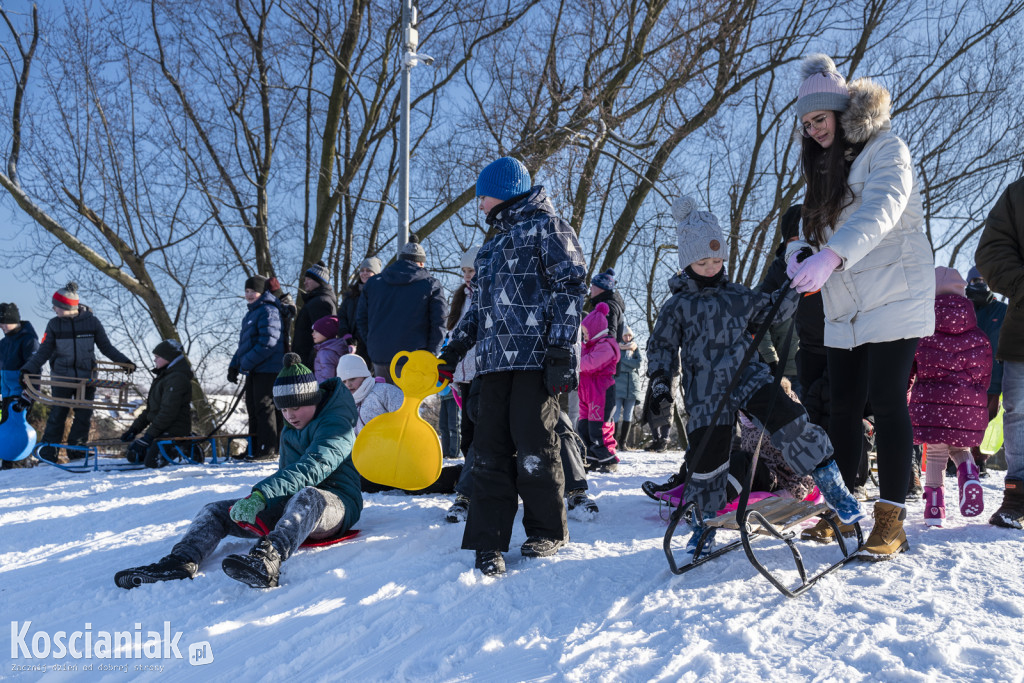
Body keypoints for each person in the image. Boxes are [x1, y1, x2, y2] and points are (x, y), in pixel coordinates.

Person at [646, 195, 862, 558]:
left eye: (717, 259)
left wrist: (795, 281)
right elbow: (661, 348)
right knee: (707, 461)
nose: (712, 266)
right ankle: (706, 523)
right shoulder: (677, 306)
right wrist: (658, 382)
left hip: (749, 376)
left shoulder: (737, 296)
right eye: (703, 261)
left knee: (790, 419)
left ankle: (835, 488)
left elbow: (772, 311)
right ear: (687, 262)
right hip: (704, 392)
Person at [785, 54, 934, 556]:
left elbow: (882, 209)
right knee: (840, 407)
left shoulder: (886, 149)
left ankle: (891, 517)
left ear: (840, 112)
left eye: (819, 119)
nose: (813, 130)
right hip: (845, 303)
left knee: (888, 401)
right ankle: (842, 509)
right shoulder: (824, 168)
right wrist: (801, 249)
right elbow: (815, 226)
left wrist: (832, 255)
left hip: (894, 292)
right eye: (806, 124)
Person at [438, 156, 586, 576]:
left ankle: (546, 530)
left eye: (482, 197)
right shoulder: (491, 247)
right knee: (488, 451)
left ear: (501, 193)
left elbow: (570, 286)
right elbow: (478, 310)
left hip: (536, 361)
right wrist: (452, 351)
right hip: (492, 364)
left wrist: (561, 350)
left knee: (536, 446)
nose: (480, 206)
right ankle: (488, 538)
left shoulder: (548, 227)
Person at [114, 353, 361, 589]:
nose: (290, 415)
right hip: (295, 506)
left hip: (334, 505)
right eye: (284, 409)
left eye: (296, 407)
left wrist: (262, 495)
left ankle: (268, 559)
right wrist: (261, 504)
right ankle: (181, 561)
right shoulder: (291, 427)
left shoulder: (337, 424)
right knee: (216, 511)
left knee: (309, 495)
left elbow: (311, 469)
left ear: (313, 399)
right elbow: (288, 477)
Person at [908, 267, 991, 526]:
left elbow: (909, 367)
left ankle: (935, 507)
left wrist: (905, 392)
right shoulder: (978, 335)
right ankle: (968, 473)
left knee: (934, 453)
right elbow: (985, 375)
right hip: (967, 402)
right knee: (960, 447)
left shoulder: (921, 329)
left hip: (930, 403)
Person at [20, 283, 134, 462]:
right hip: (61, 378)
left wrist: (124, 362)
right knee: (58, 413)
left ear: (66, 306)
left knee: (83, 414)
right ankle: (49, 452)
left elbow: (106, 347)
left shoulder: (92, 323)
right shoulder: (54, 324)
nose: (53, 308)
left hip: (86, 378)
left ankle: (77, 450)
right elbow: (44, 351)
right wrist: (28, 369)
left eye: (56, 305)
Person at [975, 174, 1024, 528]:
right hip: (1023, 327)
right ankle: (1018, 493)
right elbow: (992, 250)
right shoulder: (1018, 194)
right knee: (1019, 412)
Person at [356, 235, 447, 382]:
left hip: (380, 356)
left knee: (383, 402)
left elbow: (361, 319)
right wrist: (430, 354)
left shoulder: (373, 284)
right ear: (421, 263)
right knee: (408, 403)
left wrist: (373, 343)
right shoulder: (430, 284)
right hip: (414, 358)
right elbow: (440, 322)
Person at [228, 274, 286, 461]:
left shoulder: (269, 310)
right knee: (252, 408)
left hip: (269, 368)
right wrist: (234, 365)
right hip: (254, 368)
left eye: (253, 291)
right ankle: (254, 446)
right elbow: (244, 345)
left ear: (262, 292)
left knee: (265, 407)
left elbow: (269, 342)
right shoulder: (250, 314)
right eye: (247, 291)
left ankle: (268, 447)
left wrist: (246, 363)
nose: (250, 294)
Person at [120, 339, 195, 469]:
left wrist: (149, 436)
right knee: (134, 455)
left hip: (174, 429)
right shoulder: (163, 377)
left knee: (152, 462)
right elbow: (151, 410)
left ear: (168, 357)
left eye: (157, 357)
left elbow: (168, 412)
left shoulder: (177, 378)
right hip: (160, 429)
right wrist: (134, 430)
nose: (154, 360)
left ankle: (184, 445)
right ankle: (165, 445)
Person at [965, 265, 1007, 476]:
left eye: (984, 280)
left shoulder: (1002, 310)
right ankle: (961, 459)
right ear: (968, 282)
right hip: (965, 376)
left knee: (987, 420)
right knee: (963, 418)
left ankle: (980, 460)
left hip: (994, 376)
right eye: (975, 281)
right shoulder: (962, 307)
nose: (980, 284)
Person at [578, 302, 620, 472]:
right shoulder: (587, 347)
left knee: (599, 427)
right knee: (584, 426)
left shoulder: (606, 346)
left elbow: (590, 363)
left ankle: (608, 459)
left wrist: (573, 363)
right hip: (586, 392)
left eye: (587, 332)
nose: (584, 336)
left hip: (601, 392)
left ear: (595, 330)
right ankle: (592, 457)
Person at [448, 247, 480, 459]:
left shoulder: (485, 296)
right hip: (462, 372)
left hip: (480, 369)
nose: (467, 275)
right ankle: (469, 462)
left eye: (472, 270)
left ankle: (480, 463)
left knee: (478, 417)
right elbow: (453, 333)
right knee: (466, 424)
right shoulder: (460, 298)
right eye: (464, 271)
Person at [338, 257, 382, 367]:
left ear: (376, 273)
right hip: (349, 343)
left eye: (368, 270)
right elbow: (341, 316)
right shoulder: (351, 295)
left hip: (368, 345)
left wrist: (361, 339)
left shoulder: (379, 294)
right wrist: (345, 334)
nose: (364, 273)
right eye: (362, 270)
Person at [292, 262, 338, 367]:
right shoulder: (314, 301)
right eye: (305, 279)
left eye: (309, 279)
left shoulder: (321, 302)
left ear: (319, 281)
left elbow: (324, 338)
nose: (305, 282)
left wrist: (312, 363)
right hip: (305, 361)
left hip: (311, 364)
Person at [612, 325, 643, 450]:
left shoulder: (635, 347)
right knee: (615, 414)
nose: (627, 337)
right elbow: (615, 363)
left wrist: (623, 361)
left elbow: (639, 363)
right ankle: (612, 441)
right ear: (621, 336)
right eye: (625, 335)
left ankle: (623, 442)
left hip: (632, 386)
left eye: (629, 335)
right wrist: (629, 364)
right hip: (618, 384)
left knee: (628, 414)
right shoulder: (616, 347)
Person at [0, 303, 38, 402]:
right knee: (6, 418)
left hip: (21, 394)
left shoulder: (28, 340)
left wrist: (29, 394)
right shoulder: (3, 343)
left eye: (3, 322)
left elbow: (35, 366)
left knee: (16, 417)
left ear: (12, 320)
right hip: (5, 393)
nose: (0, 326)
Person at [589, 268, 625, 343]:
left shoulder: (607, 306)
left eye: (593, 285)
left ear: (601, 287)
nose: (590, 288)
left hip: (599, 353)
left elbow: (608, 338)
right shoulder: (607, 304)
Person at [311, 315, 350, 384]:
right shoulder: (334, 347)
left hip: (325, 390)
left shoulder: (325, 352)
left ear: (326, 332)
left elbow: (327, 378)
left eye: (316, 331)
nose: (312, 334)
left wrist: (323, 392)